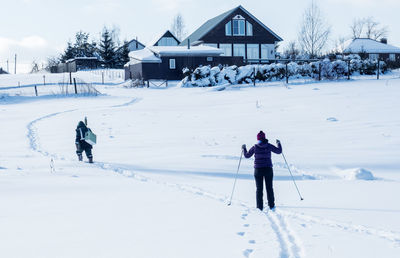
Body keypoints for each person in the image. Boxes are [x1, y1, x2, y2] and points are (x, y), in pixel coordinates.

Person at [242, 131, 282, 211]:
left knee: (259, 188)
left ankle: (259, 206)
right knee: (269, 187)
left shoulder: (255, 147)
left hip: (258, 170)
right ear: (264, 137)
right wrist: (278, 143)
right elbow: (279, 151)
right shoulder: (268, 146)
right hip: (268, 169)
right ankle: (271, 205)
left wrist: (244, 148)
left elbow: (247, 155)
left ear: (258, 139)